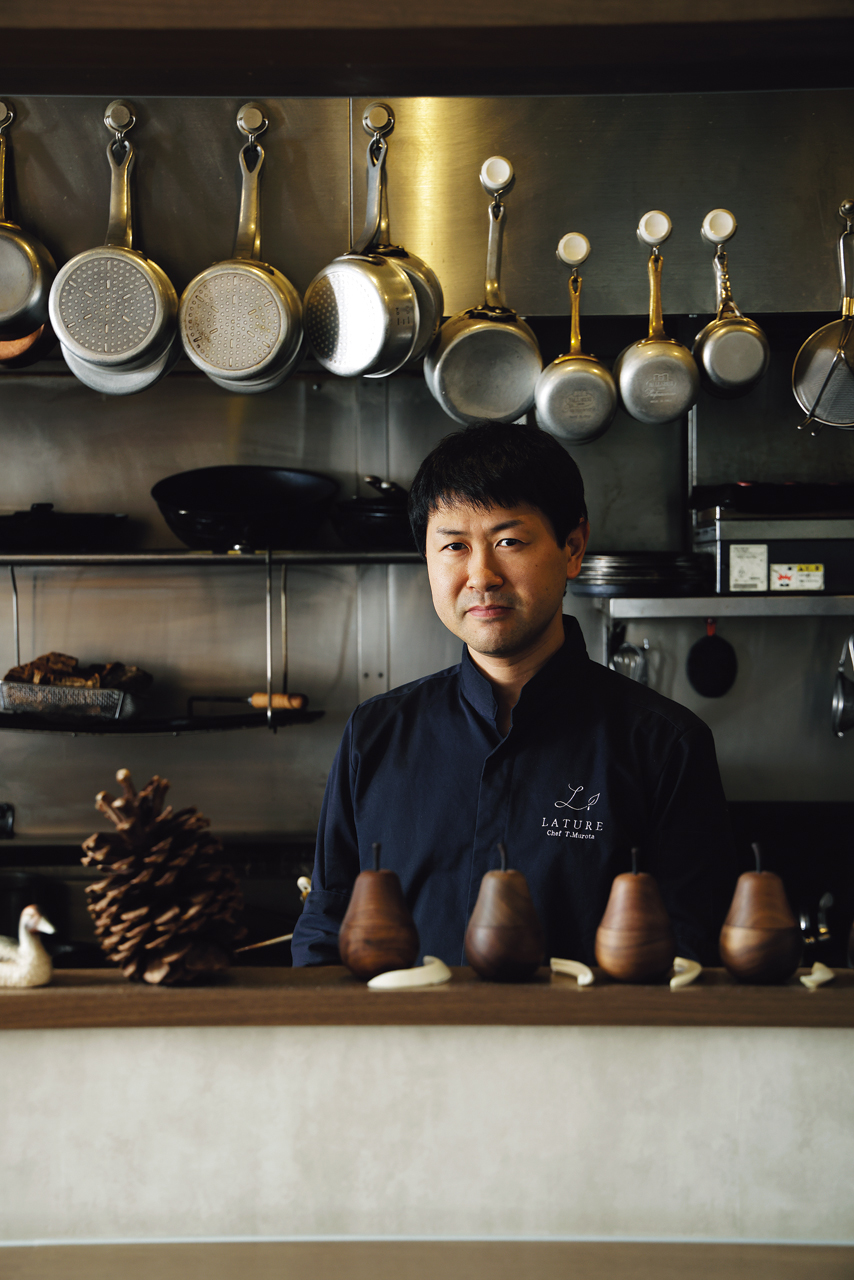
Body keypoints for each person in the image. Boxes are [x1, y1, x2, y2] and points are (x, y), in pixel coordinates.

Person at [292, 422, 735, 968]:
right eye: (454, 545)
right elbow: (325, 928)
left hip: (592, 1051)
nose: (481, 575)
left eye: (509, 541)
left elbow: (691, 952)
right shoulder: (376, 734)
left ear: (572, 549)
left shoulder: (666, 746)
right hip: (408, 1052)